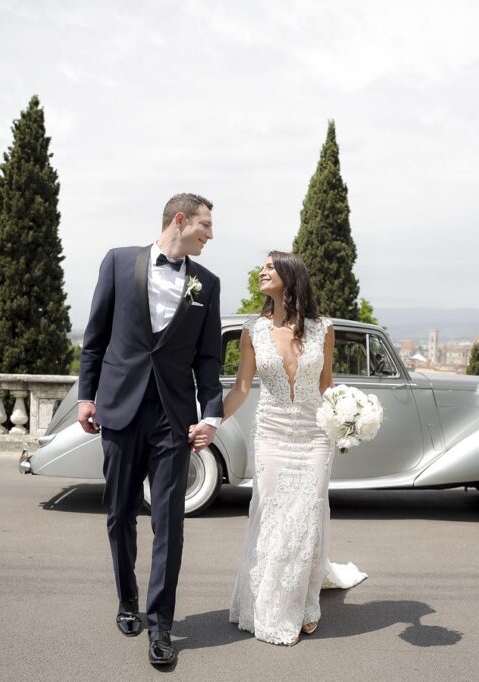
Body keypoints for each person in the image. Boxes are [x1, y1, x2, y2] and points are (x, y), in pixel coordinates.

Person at [77, 193, 223, 666]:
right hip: (119, 409)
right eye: (204, 225)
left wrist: (211, 415)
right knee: (120, 513)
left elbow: (207, 359)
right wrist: (86, 395)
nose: (210, 234)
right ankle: (127, 600)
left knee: (169, 522)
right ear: (180, 221)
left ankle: (160, 625)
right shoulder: (119, 263)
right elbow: (95, 337)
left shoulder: (207, 283)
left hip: (173, 419)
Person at [218, 250, 367, 646]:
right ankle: (266, 603)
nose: (263, 271)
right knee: (271, 515)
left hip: (314, 435)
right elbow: (242, 389)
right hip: (271, 432)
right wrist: (211, 421)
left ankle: (303, 604)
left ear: (290, 275)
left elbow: (325, 384)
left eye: (270, 266)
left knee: (306, 515)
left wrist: (349, 416)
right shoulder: (253, 330)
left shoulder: (324, 328)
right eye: (263, 267)